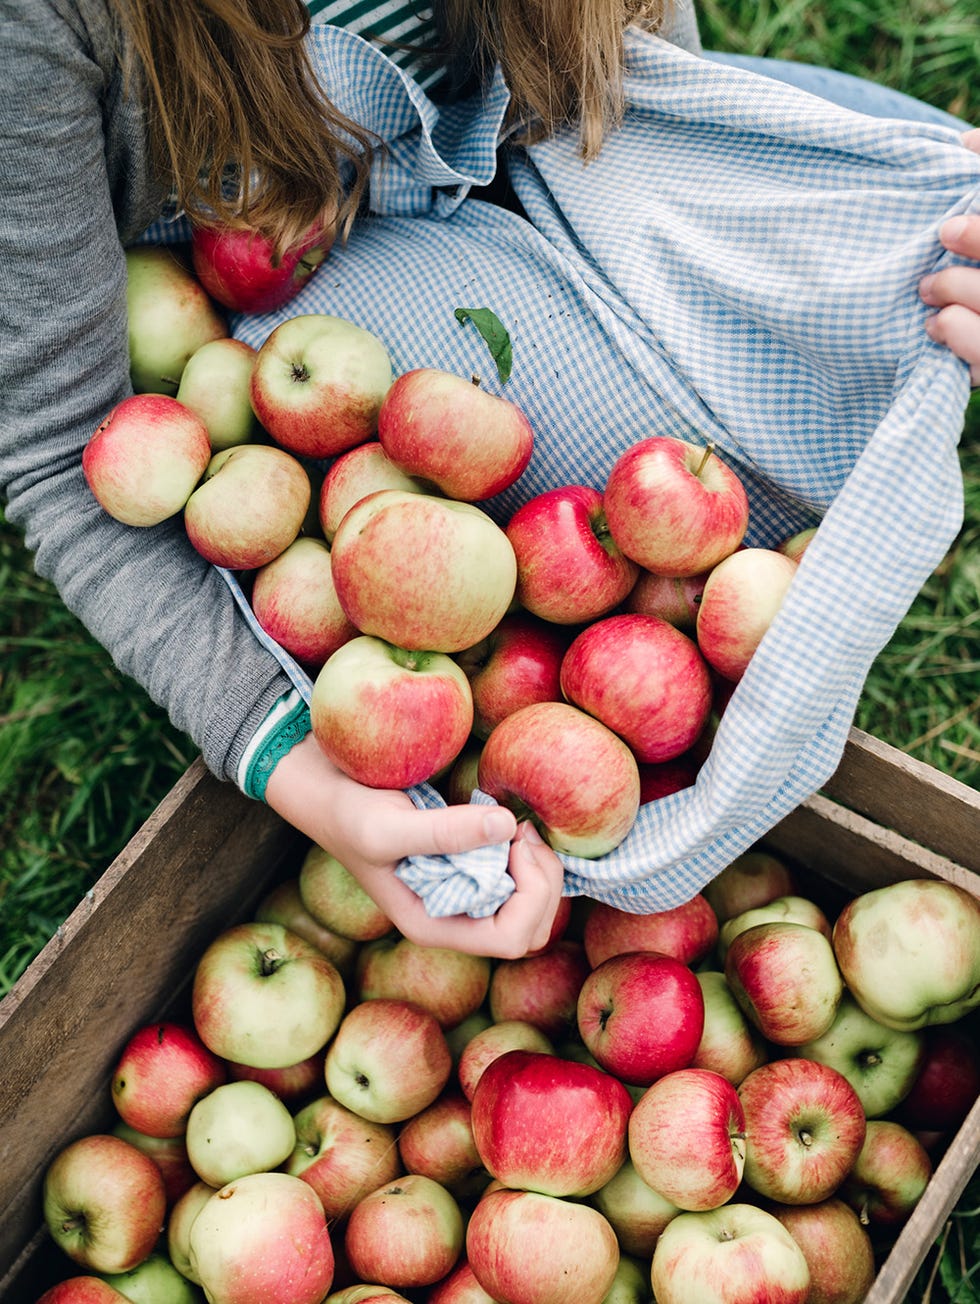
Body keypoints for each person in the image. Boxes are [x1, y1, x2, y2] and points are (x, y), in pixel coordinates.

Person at [2, 0, 978, 958]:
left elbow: (618, 65)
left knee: (933, 199)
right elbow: (59, 450)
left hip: (529, 136)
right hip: (291, 278)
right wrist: (301, 767)